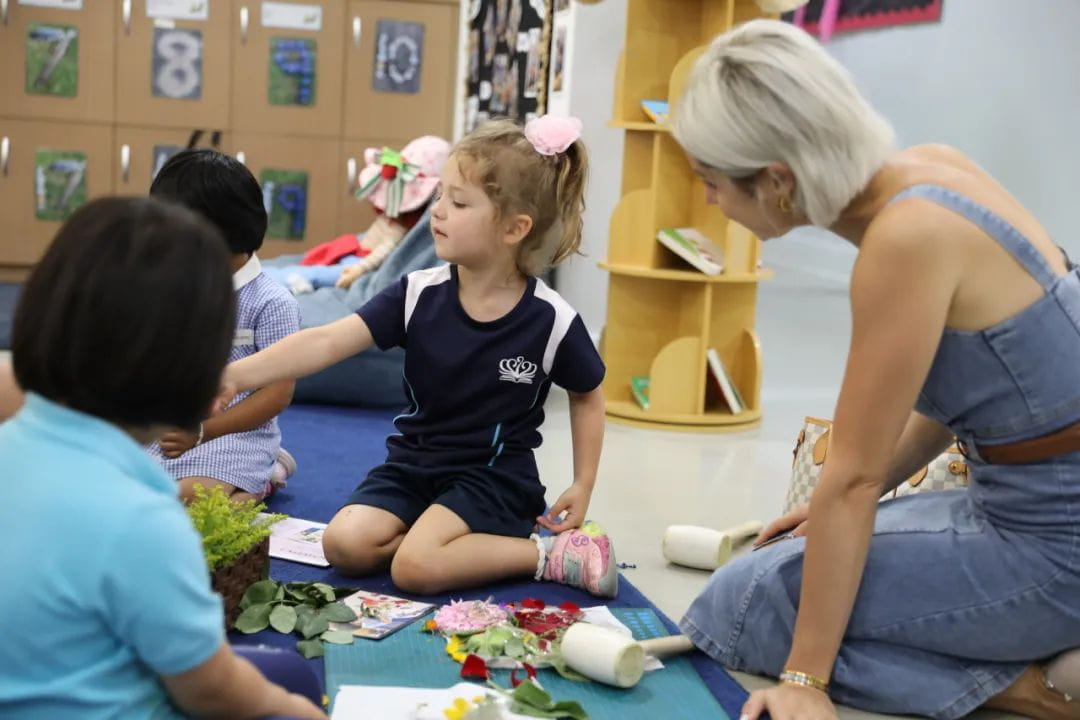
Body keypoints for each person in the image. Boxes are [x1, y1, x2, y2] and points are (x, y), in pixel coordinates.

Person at [670, 20, 1080, 720]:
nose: (711, 203)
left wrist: (805, 681)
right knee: (795, 555)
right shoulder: (934, 168)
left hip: (1053, 545)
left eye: (712, 183)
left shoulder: (903, 241)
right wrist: (838, 508)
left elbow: (852, 479)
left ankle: (1037, 691)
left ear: (777, 183)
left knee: (739, 607)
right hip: (1043, 506)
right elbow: (968, 393)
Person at [219, 115, 617, 597]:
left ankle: (551, 555)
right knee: (343, 546)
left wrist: (584, 481)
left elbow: (587, 396)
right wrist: (235, 374)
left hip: (493, 477)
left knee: (414, 570)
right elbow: (325, 342)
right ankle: (446, 548)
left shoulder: (550, 319)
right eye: (440, 196)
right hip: (415, 465)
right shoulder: (416, 293)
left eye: (459, 201)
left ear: (515, 229)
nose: (438, 212)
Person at [0, 197, 325, 719]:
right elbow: (212, 691)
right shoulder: (146, 522)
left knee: (279, 672)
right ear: (197, 372)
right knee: (291, 686)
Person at [147, 150, 302, 503]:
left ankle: (264, 475)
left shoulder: (271, 302)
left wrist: (203, 432)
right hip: (169, 431)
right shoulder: (175, 287)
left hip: (235, 435)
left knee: (184, 500)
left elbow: (277, 394)